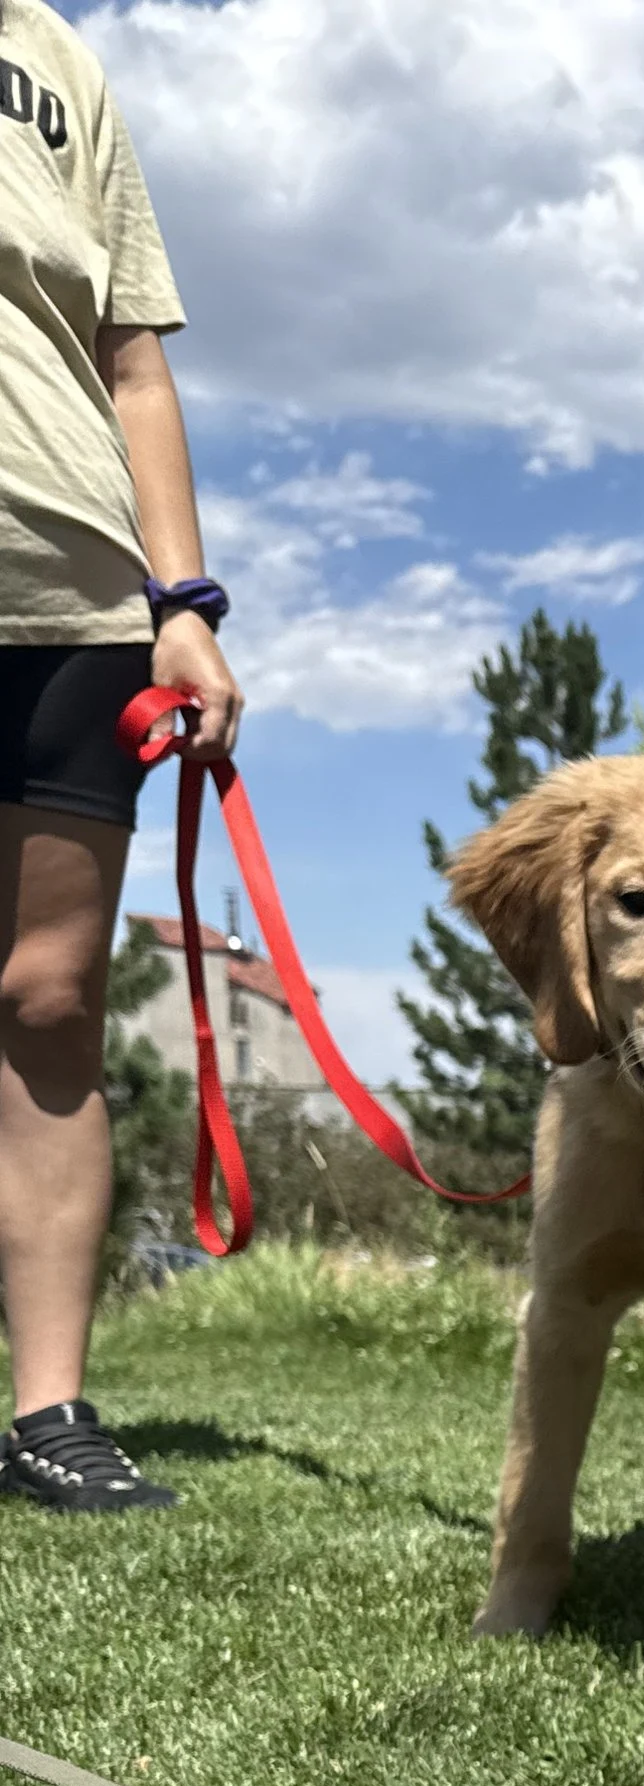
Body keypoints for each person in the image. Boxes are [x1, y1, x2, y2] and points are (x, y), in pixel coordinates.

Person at [0, 0, 238, 1514]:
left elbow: (132, 365)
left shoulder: (63, 61)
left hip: (75, 596)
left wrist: (184, 604)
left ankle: (49, 1411)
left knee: (50, 995)